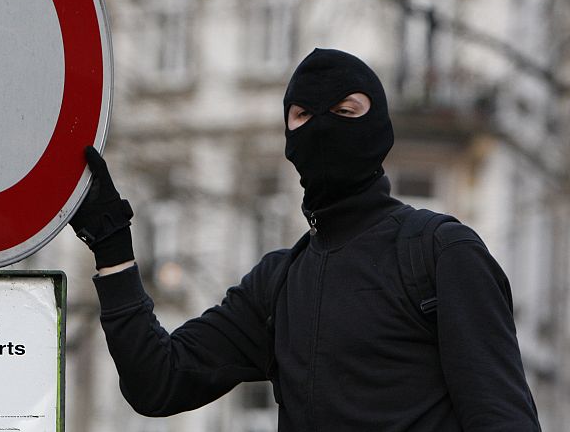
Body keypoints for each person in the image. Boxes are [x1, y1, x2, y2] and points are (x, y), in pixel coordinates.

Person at [69, 48, 541, 431]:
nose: (322, 127)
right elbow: (159, 382)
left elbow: (501, 417)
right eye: (302, 115)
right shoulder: (278, 284)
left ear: (378, 128)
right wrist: (114, 249)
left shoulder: (442, 253)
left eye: (344, 111)